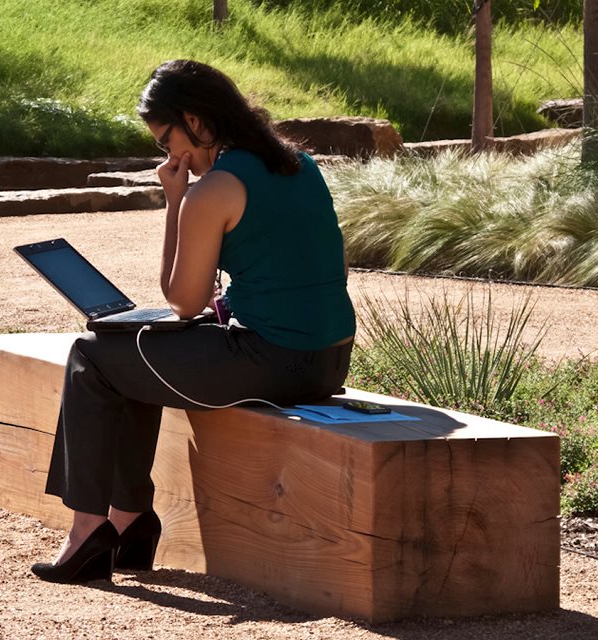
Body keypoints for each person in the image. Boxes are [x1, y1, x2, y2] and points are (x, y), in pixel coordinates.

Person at [30, 59, 356, 584]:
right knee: (131, 353)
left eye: (167, 141)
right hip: (330, 360)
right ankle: (129, 523)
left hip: (271, 360)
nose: (170, 156)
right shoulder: (300, 164)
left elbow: (183, 300)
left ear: (196, 122)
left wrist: (176, 202)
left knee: (92, 356)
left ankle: (90, 530)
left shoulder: (215, 189)